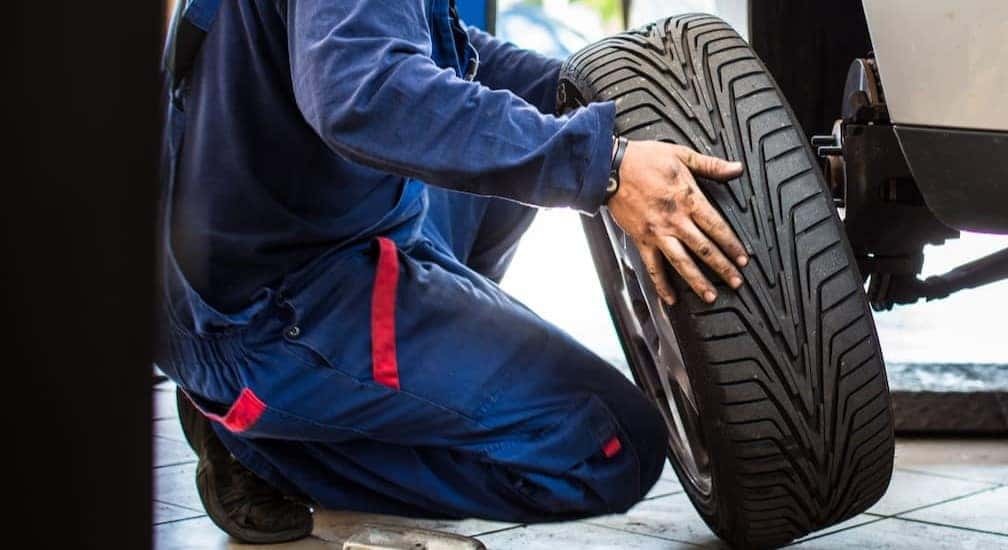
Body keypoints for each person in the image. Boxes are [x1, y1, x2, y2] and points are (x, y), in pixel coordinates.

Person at [158, 0, 748, 543]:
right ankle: (259, 441)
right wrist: (606, 166)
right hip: (266, 307)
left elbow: (441, 52)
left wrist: (588, 95)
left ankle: (392, 391)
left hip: (291, 230)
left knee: (502, 167)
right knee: (616, 445)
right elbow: (365, 92)